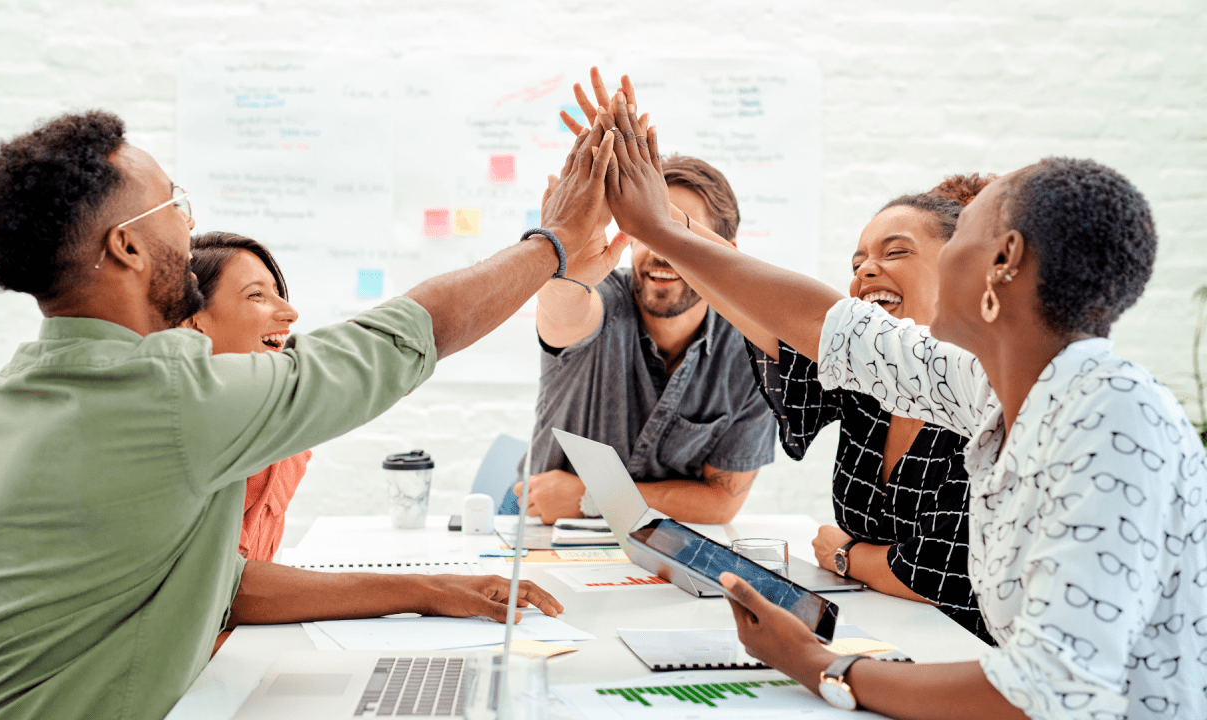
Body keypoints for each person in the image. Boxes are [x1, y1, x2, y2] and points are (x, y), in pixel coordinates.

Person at [0, 109, 616, 720]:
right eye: (175, 203)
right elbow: (406, 338)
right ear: (125, 246)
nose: (187, 223)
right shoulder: (169, 394)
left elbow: (218, 581)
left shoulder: (11, 395)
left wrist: (427, 588)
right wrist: (552, 242)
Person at [596, 92, 1206, 719]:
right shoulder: (988, 386)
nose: (865, 277)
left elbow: (1045, 692)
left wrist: (818, 664)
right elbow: (826, 325)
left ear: (1005, 261)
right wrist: (662, 232)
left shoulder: (1111, 419)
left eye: (962, 231)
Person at [515, 72, 775, 525]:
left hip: (659, 547)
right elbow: (562, 314)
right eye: (646, 230)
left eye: (676, 232)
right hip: (540, 528)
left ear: (725, 255)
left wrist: (594, 496)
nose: (658, 249)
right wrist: (566, 258)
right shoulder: (602, 298)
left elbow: (722, 503)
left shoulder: (754, 353)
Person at [746, 175, 996, 644]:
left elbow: (942, 576)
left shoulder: (987, 394)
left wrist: (846, 555)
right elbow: (766, 316)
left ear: (961, 265)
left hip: (966, 658)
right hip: (882, 633)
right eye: (858, 261)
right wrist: (666, 229)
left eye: (896, 252)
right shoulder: (869, 389)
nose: (866, 271)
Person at [181, 231, 308, 563]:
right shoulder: (172, 433)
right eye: (256, 295)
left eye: (278, 294)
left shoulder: (287, 437)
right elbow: (228, 588)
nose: (290, 312)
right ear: (192, 322)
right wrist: (424, 593)